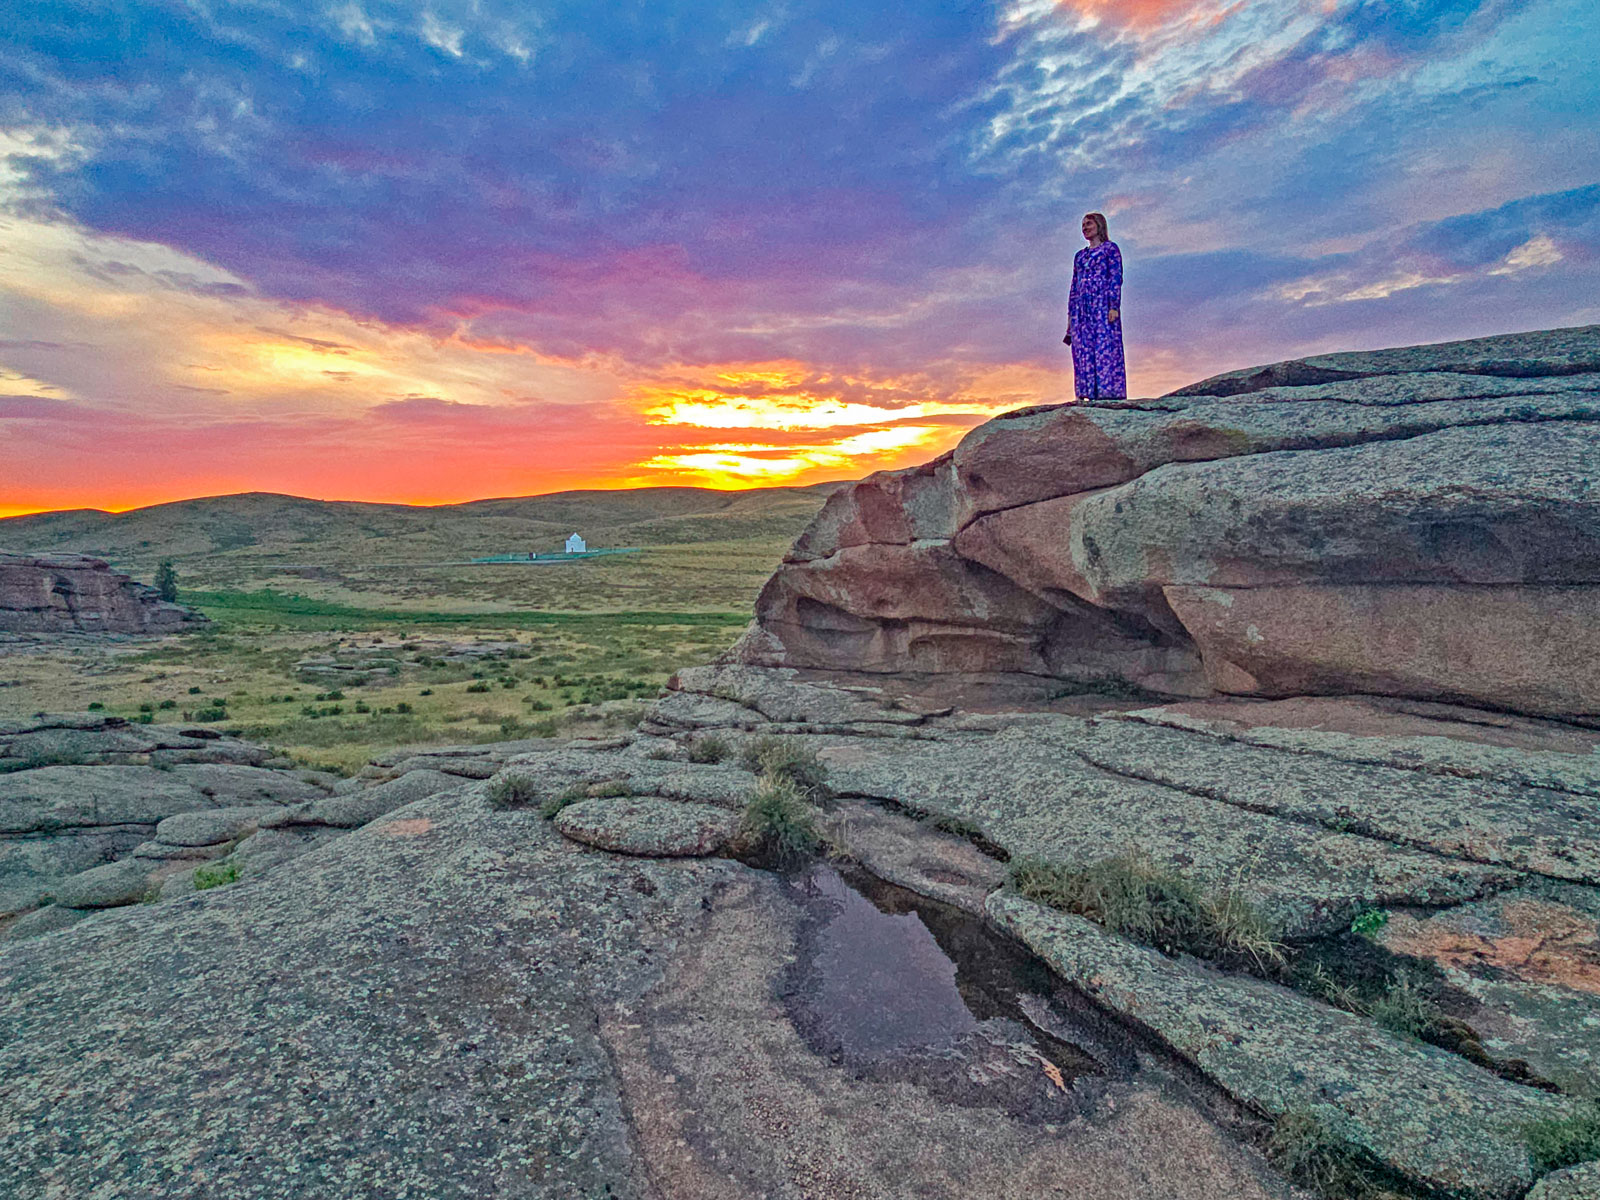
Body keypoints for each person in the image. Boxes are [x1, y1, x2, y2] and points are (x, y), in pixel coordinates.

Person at [1063, 212, 1126, 399]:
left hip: (1102, 306)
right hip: (1081, 310)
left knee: (1104, 347)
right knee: (1083, 350)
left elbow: (1115, 278)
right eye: (1082, 225)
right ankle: (1086, 392)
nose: (1085, 228)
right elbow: (1074, 285)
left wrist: (1113, 305)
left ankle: (1108, 393)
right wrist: (1070, 317)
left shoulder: (1110, 250)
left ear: (1099, 225)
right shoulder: (1080, 256)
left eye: (1089, 224)